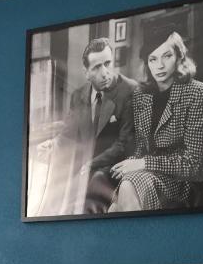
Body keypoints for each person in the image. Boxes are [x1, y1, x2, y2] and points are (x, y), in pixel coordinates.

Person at [108, 29, 203, 212]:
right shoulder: (141, 95)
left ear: (179, 56)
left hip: (181, 180)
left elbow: (192, 164)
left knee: (126, 190)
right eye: (153, 59)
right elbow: (142, 150)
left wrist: (142, 163)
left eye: (167, 56)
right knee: (114, 207)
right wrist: (129, 163)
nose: (160, 66)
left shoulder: (198, 92)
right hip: (146, 174)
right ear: (147, 63)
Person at [35, 38, 137, 216]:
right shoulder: (78, 96)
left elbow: (124, 143)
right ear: (86, 72)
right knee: (53, 183)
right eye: (97, 67)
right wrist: (52, 143)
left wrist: (91, 164)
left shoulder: (130, 90)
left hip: (112, 167)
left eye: (107, 63)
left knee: (91, 188)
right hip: (83, 166)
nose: (105, 73)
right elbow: (68, 134)